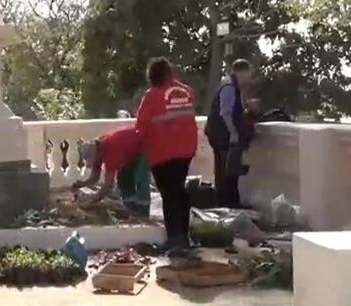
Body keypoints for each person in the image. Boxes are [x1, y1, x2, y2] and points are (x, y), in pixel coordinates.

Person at [136, 57, 198, 255]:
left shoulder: (152, 96)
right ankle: (184, 236)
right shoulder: (185, 91)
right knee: (179, 191)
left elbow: (141, 127)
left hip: (163, 152)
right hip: (186, 149)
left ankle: (175, 239)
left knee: (169, 194)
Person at [71, 126, 151, 218]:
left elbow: (108, 185)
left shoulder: (110, 151)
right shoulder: (98, 150)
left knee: (140, 176)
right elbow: (95, 177)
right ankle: (130, 208)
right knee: (123, 178)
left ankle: (143, 210)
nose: (93, 163)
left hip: (145, 143)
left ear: (97, 153)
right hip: (128, 149)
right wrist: (82, 184)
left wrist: (91, 202)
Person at [206, 59, 253, 208]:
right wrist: (234, 133)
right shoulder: (229, 86)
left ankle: (228, 203)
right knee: (226, 172)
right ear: (242, 72)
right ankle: (226, 204)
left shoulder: (229, 84)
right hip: (222, 135)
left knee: (227, 171)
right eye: (248, 74)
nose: (249, 78)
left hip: (219, 133)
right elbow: (225, 112)